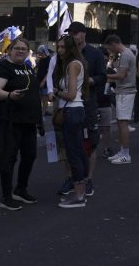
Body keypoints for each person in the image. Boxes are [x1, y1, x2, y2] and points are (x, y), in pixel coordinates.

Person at [0, 38, 42, 211]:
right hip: (7, 119)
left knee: (30, 155)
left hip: (28, 120)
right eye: (17, 48)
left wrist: (39, 119)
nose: (21, 51)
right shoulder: (3, 66)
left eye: (24, 49)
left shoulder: (27, 67)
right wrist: (9, 95)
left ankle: (21, 188)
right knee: (8, 156)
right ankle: (6, 195)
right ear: (9, 50)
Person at [64, 21, 106, 197]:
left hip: (88, 103)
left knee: (90, 143)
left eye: (76, 33)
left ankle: (88, 179)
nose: (73, 36)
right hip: (69, 104)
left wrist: (88, 81)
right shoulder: (67, 54)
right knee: (69, 143)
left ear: (83, 34)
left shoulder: (95, 54)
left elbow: (103, 77)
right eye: (71, 33)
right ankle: (71, 178)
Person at [52, 34, 89, 209]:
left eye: (63, 47)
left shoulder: (73, 65)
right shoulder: (74, 64)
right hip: (76, 110)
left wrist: (57, 93)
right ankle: (80, 192)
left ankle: (79, 195)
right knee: (77, 151)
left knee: (74, 154)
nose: (59, 51)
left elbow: (72, 94)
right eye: (58, 47)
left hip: (72, 109)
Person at [104, 35, 136, 165]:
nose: (110, 51)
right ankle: (123, 151)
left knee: (123, 123)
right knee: (121, 122)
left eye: (110, 47)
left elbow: (121, 75)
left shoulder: (125, 55)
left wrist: (105, 76)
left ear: (114, 44)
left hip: (126, 91)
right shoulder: (125, 54)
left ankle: (125, 154)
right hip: (123, 91)